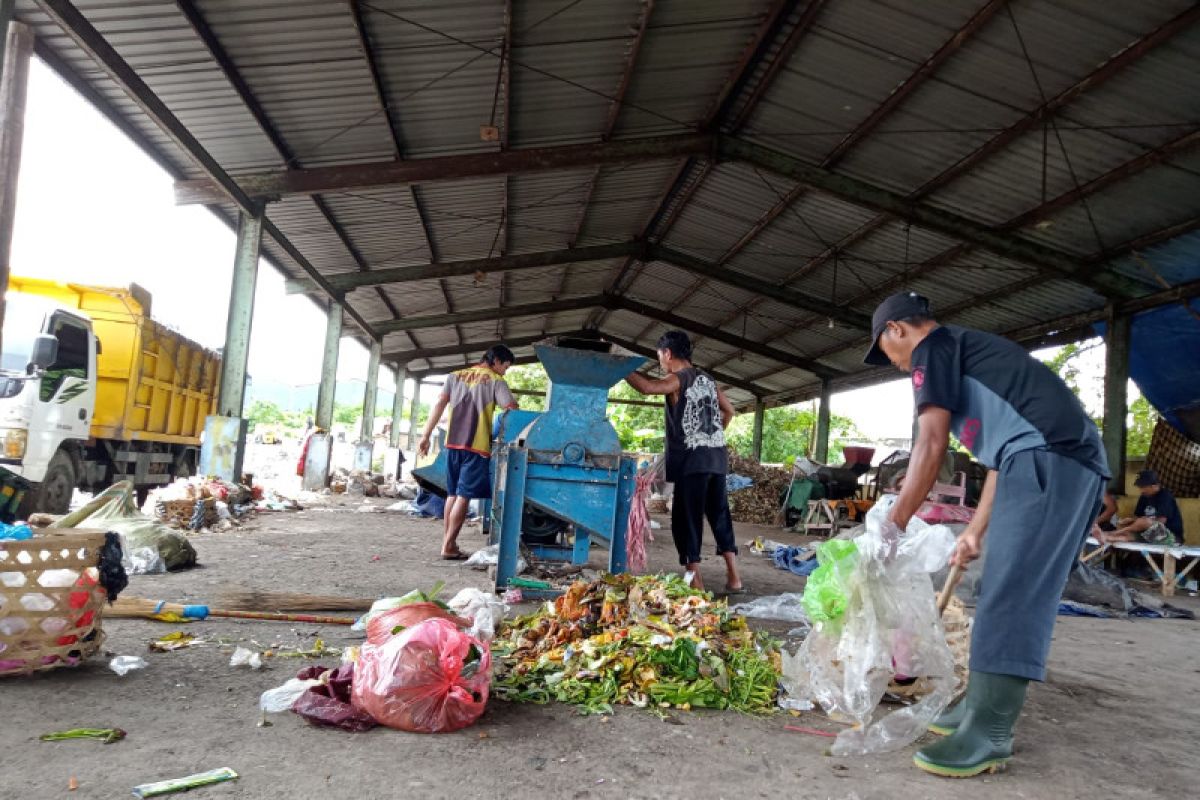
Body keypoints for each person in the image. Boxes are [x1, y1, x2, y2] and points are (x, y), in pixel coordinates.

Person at [863, 291, 1108, 779]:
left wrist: (894, 523)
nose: (894, 364)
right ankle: (977, 706)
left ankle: (990, 732)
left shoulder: (932, 350)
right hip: (1039, 461)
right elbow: (1000, 459)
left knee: (1012, 594)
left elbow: (929, 445)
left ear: (897, 330)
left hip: (1051, 461)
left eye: (887, 352)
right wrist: (973, 532)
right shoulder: (966, 358)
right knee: (1004, 586)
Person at [624, 331, 744, 594]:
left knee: (686, 519)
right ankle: (734, 578)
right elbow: (730, 411)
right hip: (716, 459)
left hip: (693, 462)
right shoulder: (709, 380)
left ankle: (696, 582)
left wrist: (620, 368)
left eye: (659, 356)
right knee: (720, 515)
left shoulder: (677, 379)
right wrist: (712, 436)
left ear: (667, 353)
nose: (661, 362)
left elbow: (648, 388)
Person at [417, 345, 518, 559]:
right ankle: (448, 546)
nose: (505, 371)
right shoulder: (495, 380)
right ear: (497, 360)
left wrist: (425, 436)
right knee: (464, 496)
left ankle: (449, 543)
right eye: (505, 366)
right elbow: (512, 409)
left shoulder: (455, 376)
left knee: (452, 494)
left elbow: (439, 404)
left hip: (452, 443)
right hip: (476, 446)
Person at [1099, 470, 1183, 545]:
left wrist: (1138, 522)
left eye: (1143, 487)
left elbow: (1161, 522)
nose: (1141, 490)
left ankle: (1112, 533)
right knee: (1124, 529)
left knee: (1143, 522)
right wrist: (1130, 520)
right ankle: (1108, 536)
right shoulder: (1144, 496)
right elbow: (1137, 517)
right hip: (1149, 535)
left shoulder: (1165, 496)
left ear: (1153, 486)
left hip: (1171, 538)